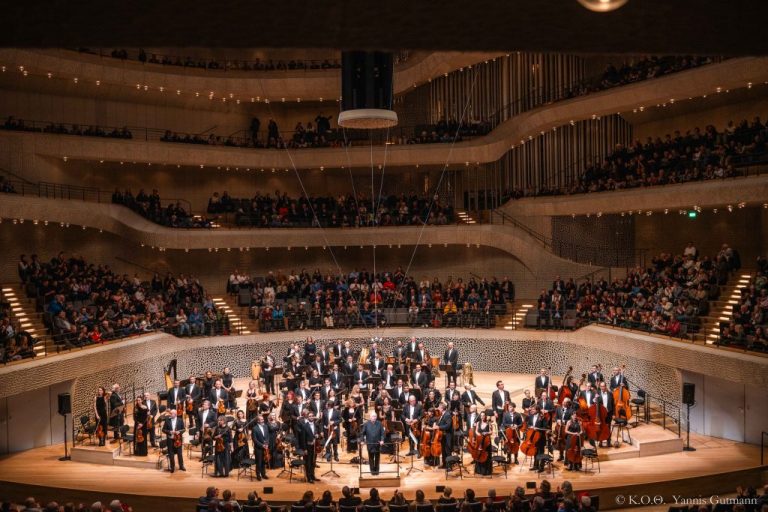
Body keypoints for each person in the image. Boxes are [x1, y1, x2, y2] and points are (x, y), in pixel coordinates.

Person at [360, 411, 385, 475]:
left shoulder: (379, 423)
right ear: (370, 417)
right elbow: (362, 433)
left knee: (377, 458)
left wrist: (382, 440)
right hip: (370, 443)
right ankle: (372, 471)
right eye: (373, 416)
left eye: (375, 416)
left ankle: (376, 471)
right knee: (371, 458)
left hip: (377, 443)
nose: (374, 417)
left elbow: (382, 433)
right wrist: (362, 440)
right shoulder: (366, 424)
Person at [298, 412, 320, 483]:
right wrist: (304, 449)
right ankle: (309, 477)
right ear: (307, 417)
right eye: (309, 416)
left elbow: (317, 434)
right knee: (308, 463)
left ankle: (313, 475)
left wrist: (317, 435)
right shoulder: (304, 426)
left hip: (314, 447)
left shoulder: (316, 425)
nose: (311, 417)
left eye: (312, 416)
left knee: (313, 462)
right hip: (308, 447)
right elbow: (303, 439)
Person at [251, 414, 270, 480]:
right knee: (259, 462)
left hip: (265, 447)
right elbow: (254, 439)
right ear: (258, 421)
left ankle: (263, 474)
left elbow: (267, 436)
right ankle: (258, 475)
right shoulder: (254, 428)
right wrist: (262, 445)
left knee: (264, 462)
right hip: (258, 448)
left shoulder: (265, 426)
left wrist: (267, 444)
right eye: (261, 419)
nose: (263, 420)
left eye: (263, 419)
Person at [473, 411, 492, 475]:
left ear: (485, 416)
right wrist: (479, 434)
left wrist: (486, 433)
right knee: (479, 454)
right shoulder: (478, 423)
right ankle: (479, 470)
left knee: (486, 455)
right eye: (481, 416)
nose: (482, 417)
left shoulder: (488, 423)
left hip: (486, 441)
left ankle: (486, 471)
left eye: (483, 416)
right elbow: (476, 431)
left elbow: (491, 432)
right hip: (480, 441)